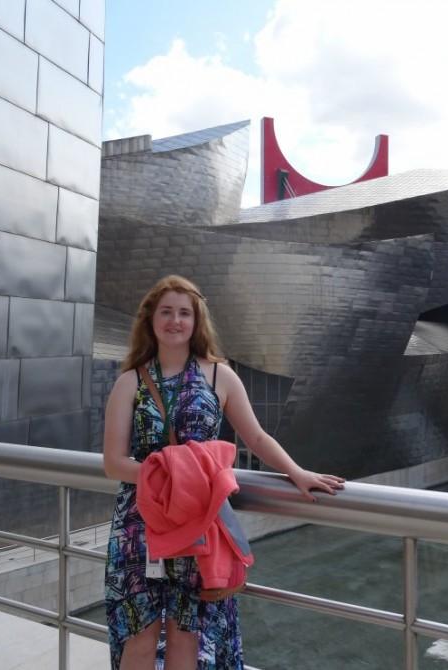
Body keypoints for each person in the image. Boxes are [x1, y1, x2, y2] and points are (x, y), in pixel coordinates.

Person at [102, 275, 345, 670]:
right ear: (150, 320)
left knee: (187, 636)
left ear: (197, 322)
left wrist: (297, 473)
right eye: (166, 312)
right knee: (140, 635)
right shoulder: (129, 382)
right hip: (139, 523)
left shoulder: (220, 376)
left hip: (198, 522)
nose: (175, 321)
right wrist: (171, 478)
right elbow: (113, 463)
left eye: (185, 313)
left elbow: (257, 437)